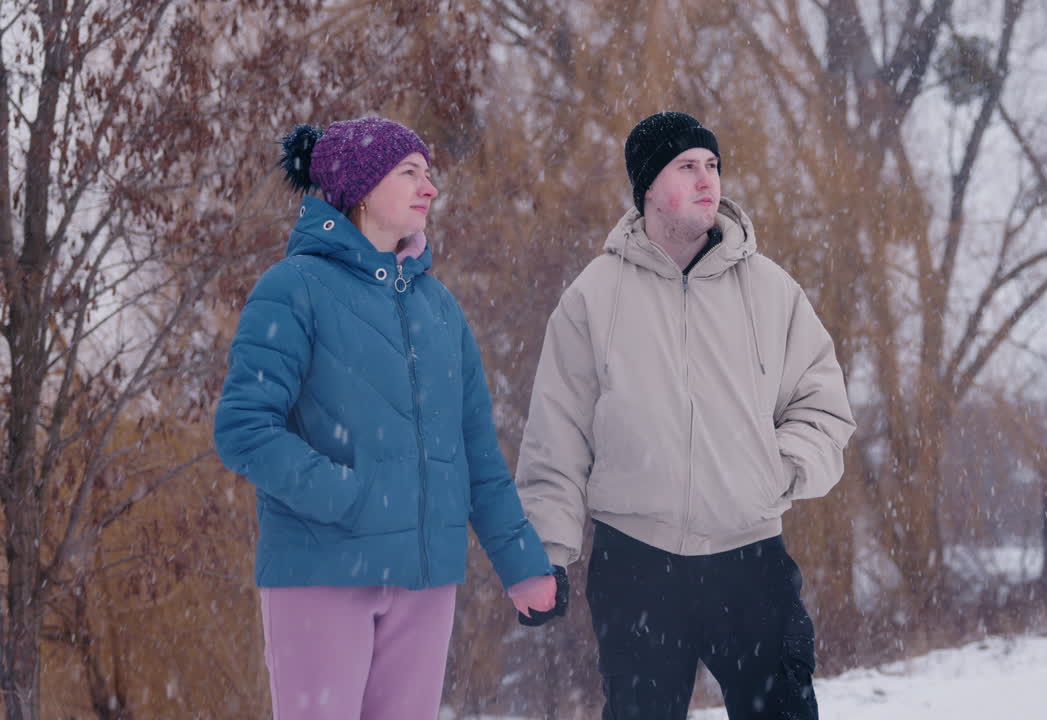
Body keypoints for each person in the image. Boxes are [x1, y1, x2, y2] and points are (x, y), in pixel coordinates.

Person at [214, 116, 558, 720]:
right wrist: (347, 498)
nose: (429, 188)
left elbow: (476, 452)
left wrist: (521, 563)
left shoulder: (440, 308)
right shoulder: (293, 289)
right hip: (322, 569)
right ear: (363, 189)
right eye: (409, 172)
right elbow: (244, 427)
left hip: (425, 582)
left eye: (429, 174)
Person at [514, 111, 856, 719]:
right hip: (637, 563)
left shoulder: (771, 291)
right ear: (648, 187)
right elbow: (556, 439)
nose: (708, 179)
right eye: (687, 166)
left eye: (713, 165)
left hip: (750, 560)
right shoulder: (594, 297)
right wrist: (548, 550)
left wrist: (775, 472)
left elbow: (823, 407)